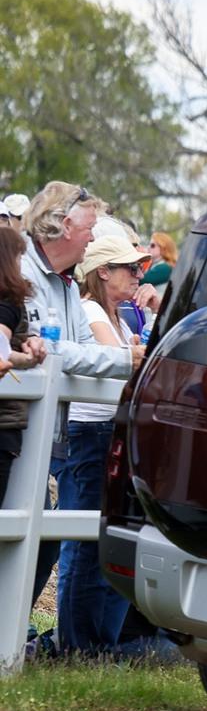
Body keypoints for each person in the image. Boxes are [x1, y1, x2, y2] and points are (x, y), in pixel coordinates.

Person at [19, 183, 140, 642]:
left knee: (40, 543)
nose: (91, 240)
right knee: (34, 539)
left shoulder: (64, 285)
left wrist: (117, 358)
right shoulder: (24, 273)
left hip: (45, 438)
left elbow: (80, 349)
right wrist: (125, 360)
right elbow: (53, 350)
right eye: (89, 228)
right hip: (19, 432)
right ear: (65, 224)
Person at [57, 231, 150, 654]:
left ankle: (100, 643)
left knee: (113, 539)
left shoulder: (121, 315)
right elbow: (129, 363)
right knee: (84, 542)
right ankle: (77, 644)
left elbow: (140, 358)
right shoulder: (90, 308)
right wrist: (135, 352)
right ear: (103, 271)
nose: (137, 275)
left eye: (140, 267)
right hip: (93, 434)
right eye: (130, 267)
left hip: (112, 432)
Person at [0, 215, 51, 505]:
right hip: (4, 424)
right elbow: (1, 350)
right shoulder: (7, 300)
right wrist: (29, 359)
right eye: (20, 256)